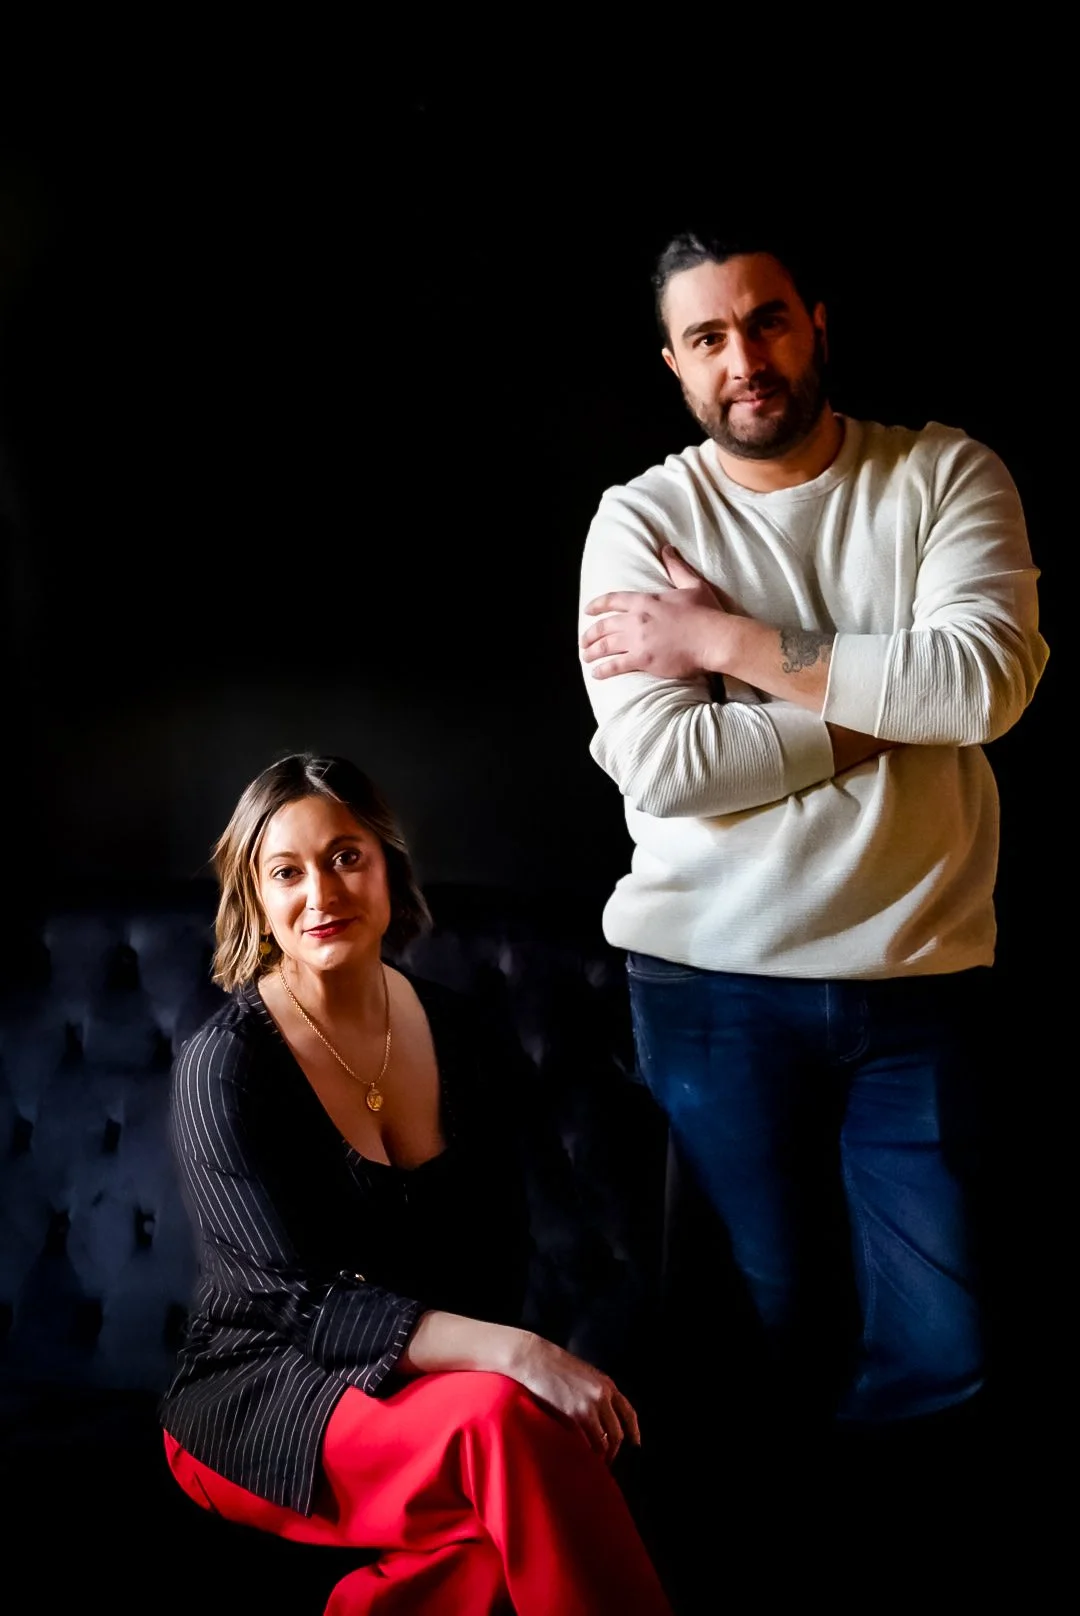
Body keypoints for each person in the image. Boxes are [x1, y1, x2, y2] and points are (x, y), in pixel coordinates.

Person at [576, 231, 1049, 1478]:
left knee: (945, 1349)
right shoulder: (642, 520)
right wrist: (889, 704)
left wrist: (728, 642)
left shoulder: (943, 475)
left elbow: (982, 684)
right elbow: (670, 765)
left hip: (919, 977)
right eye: (709, 337)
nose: (746, 358)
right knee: (761, 1339)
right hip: (712, 989)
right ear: (675, 364)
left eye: (767, 321)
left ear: (816, 321)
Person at [158, 751, 675, 1616]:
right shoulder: (226, 1065)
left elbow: (498, 1248)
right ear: (255, 898)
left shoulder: (461, 1031)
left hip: (424, 1387)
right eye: (287, 872)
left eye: (345, 857)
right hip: (262, 1394)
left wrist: (500, 1359)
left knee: (513, 1504)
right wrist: (519, 1355)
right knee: (504, 1424)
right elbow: (300, 1302)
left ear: (389, 866)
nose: (322, 894)